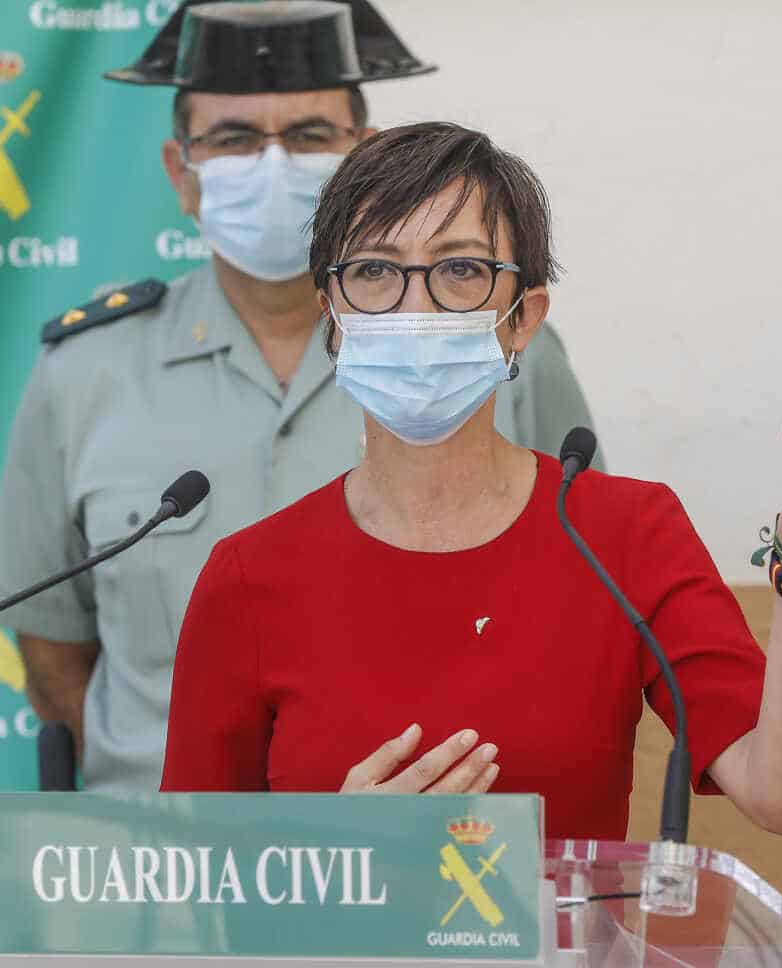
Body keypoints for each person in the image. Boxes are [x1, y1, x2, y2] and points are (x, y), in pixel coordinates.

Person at [158, 120, 782, 841]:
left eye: (461, 270)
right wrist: (338, 859)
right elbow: (195, 871)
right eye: (375, 271)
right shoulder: (249, 577)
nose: (416, 308)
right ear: (334, 316)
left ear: (522, 319)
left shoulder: (625, 533)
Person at [0, 1, 602, 794]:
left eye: (313, 136)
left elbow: (577, 591)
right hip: (169, 873)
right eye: (235, 139)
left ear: (363, 159)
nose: (274, 164)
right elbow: (55, 657)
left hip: (442, 859)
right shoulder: (85, 370)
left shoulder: (488, 343)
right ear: (182, 174)